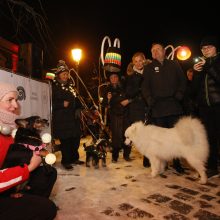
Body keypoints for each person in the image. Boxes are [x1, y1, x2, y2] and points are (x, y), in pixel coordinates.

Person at [0, 82, 57, 220]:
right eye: (10, 100)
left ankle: (25, 200)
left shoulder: (9, 128)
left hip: (7, 185)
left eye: (16, 100)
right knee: (47, 209)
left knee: (48, 173)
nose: (15, 105)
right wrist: (29, 168)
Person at [141, 42, 186, 173]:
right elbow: (145, 87)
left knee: (176, 137)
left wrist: (179, 94)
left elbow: (183, 81)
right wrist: (149, 99)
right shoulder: (149, 68)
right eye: (153, 50)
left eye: (158, 49)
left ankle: (177, 163)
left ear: (164, 51)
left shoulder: (174, 64)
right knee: (161, 139)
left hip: (174, 105)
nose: (155, 52)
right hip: (158, 108)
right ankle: (163, 163)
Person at [193, 35, 220, 178]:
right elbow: (194, 89)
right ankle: (212, 166)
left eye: (209, 46)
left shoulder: (216, 62)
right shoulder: (202, 65)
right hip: (205, 107)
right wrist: (197, 74)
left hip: (218, 105)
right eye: (203, 48)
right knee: (209, 137)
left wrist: (208, 67)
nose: (206, 50)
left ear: (216, 48)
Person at [52, 60, 84, 170]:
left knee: (75, 140)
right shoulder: (54, 87)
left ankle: (74, 158)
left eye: (66, 74)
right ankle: (66, 161)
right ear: (59, 75)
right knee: (66, 142)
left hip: (73, 119)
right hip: (62, 120)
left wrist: (79, 108)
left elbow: (77, 99)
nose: (65, 76)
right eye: (63, 74)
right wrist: (61, 104)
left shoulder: (71, 87)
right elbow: (50, 103)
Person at [125, 52, 151, 167]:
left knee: (150, 133)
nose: (138, 63)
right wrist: (139, 84)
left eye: (140, 60)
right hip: (136, 108)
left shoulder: (150, 72)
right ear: (133, 63)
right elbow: (128, 93)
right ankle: (141, 156)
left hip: (150, 106)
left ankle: (149, 158)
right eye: (136, 61)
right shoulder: (130, 76)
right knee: (139, 133)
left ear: (144, 60)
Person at [102, 71, 131, 162]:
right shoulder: (107, 89)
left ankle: (127, 155)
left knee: (127, 135)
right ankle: (115, 156)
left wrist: (128, 101)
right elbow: (104, 104)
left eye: (115, 77)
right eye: (112, 77)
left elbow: (131, 96)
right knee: (116, 137)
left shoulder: (124, 87)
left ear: (118, 78)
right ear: (109, 80)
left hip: (126, 114)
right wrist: (108, 99)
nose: (114, 79)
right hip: (115, 116)